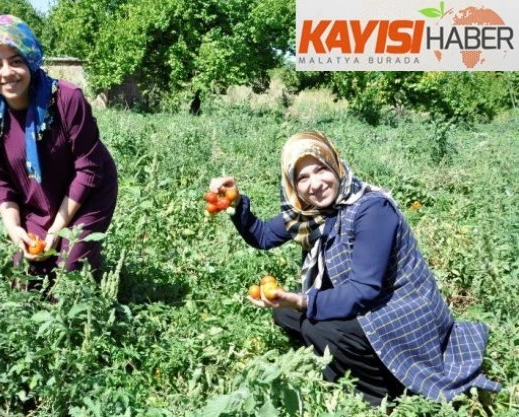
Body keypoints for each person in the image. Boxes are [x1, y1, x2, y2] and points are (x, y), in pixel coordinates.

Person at [208, 131, 501, 405]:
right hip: (365, 300)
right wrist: (235, 201)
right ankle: (348, 362)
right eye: (303, 177)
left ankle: (382, 395)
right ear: (293, 184)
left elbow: (364, 289)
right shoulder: (310, 212)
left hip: (403, 309)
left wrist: (303, 300)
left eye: (321, 169)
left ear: (336, 165)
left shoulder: (372, 209)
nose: (315, 184)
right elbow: (262, 235)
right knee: (284, 312)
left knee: (317, 326)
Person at [0, 15, 118, 279]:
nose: (7, 72)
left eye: (16, 61)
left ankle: (89, 277)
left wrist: (56, 229)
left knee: (69, 269)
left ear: (30, 60)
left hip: (89, 192)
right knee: (25, 275)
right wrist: (14, 228)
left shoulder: (66, 100)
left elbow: (88, 170)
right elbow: (0, 185)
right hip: (39, 198)